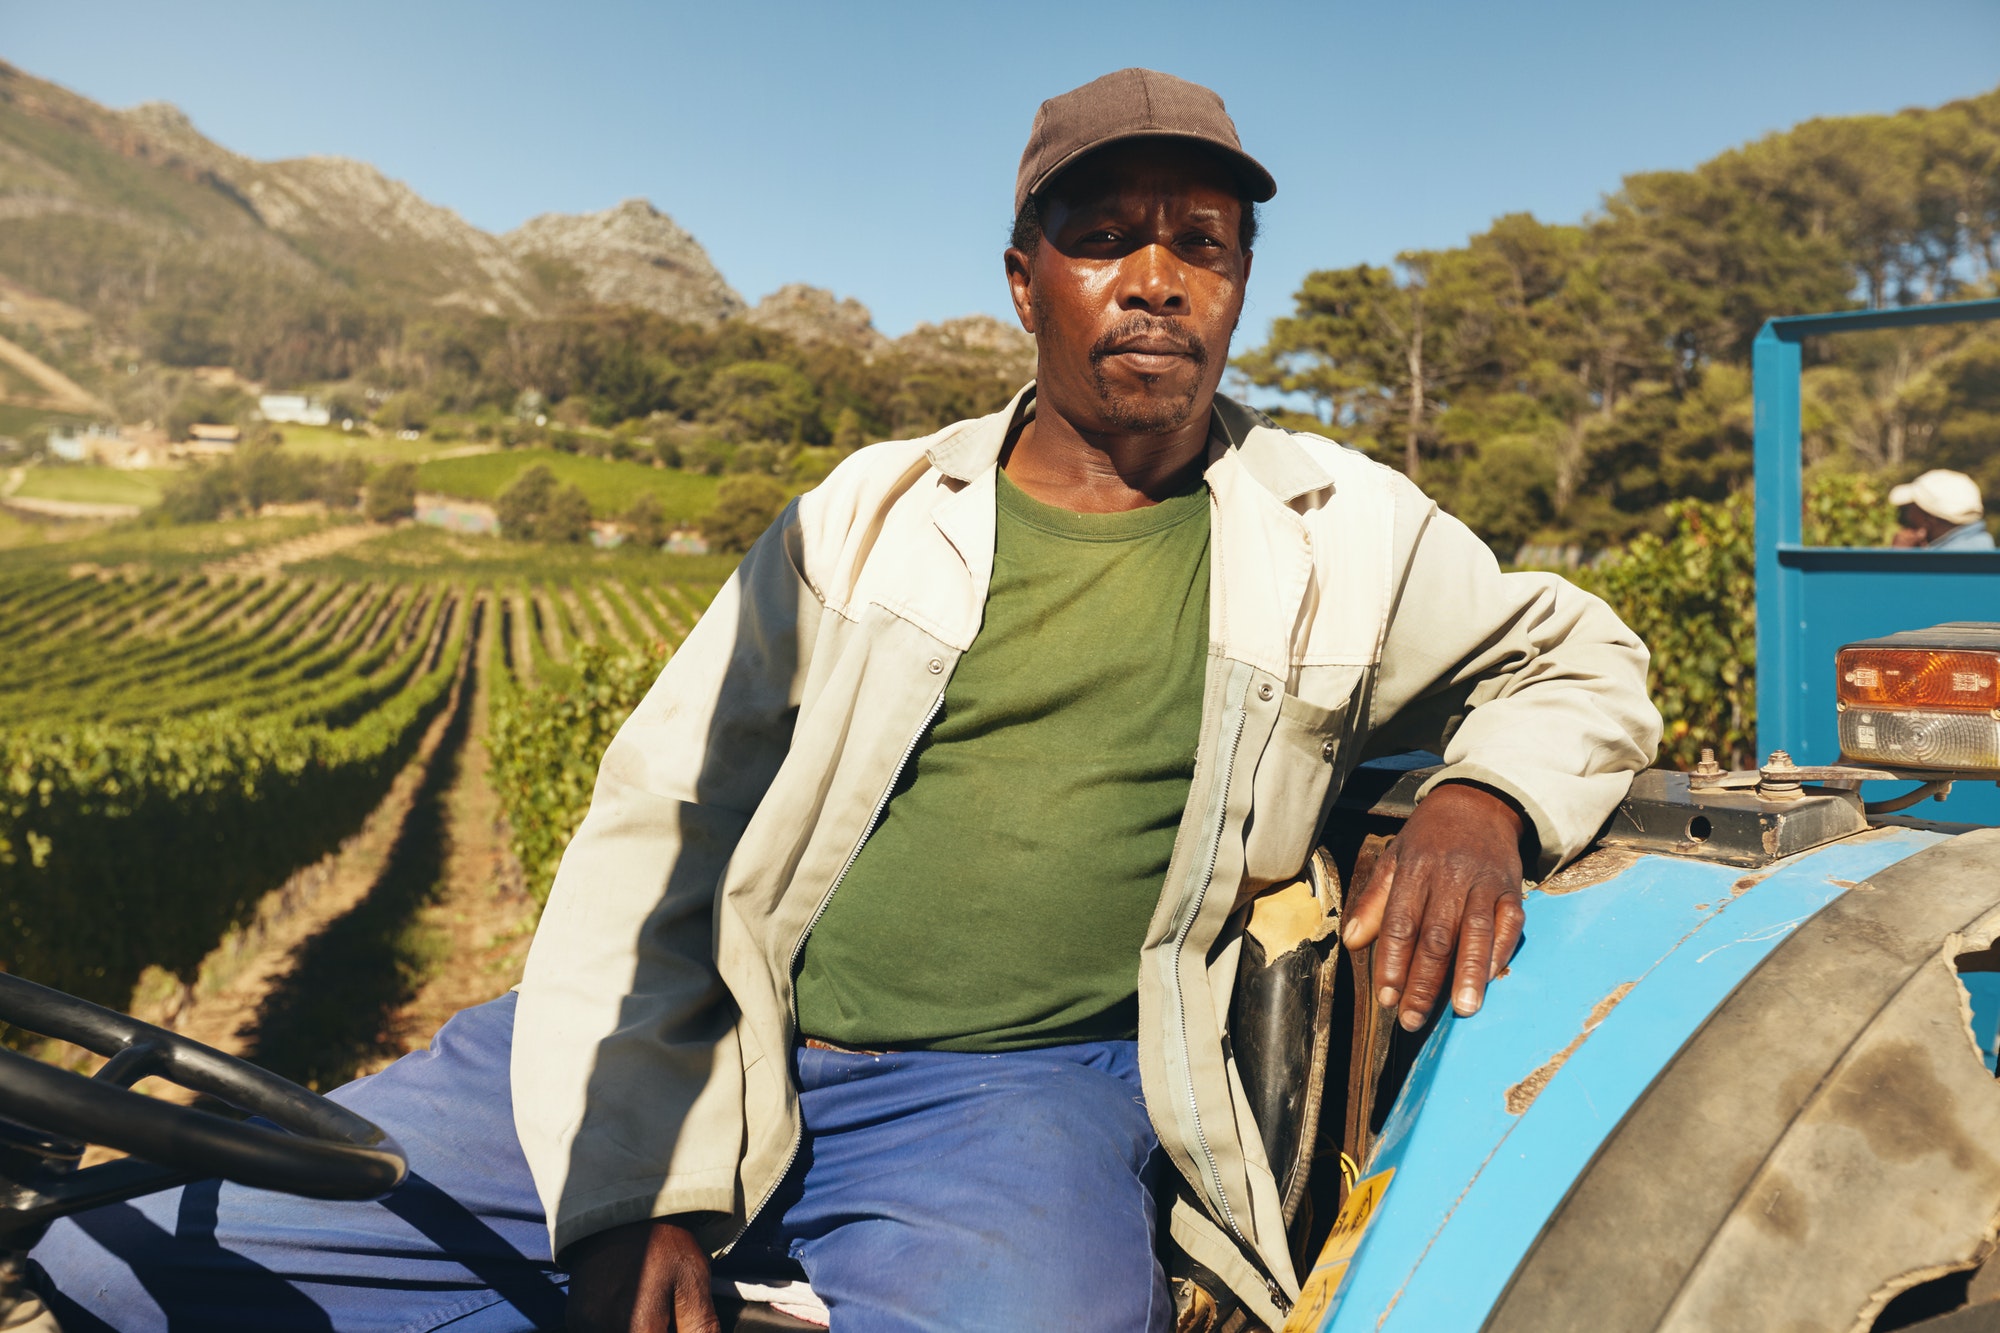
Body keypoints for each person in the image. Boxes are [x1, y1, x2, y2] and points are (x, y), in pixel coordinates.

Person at [31, 69, 1660, 1333]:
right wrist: (638, 1182)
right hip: (725, 1024)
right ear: (1027, 280)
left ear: (1242, 284)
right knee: (127, 1256)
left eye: (1200, 242)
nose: (1156, 277)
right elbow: (663, 836)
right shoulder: (868, 519)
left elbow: (1581, 655)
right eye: (1107, 238)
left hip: (1018, 1090)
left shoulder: (1343, 529)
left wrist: (1481, 797)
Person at [1890, 469, 1995, 551]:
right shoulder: (1985, 544)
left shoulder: (1935, 564)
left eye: (1912, 508)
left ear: (1929, 518)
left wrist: (1898, 558)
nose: (1908, 516)